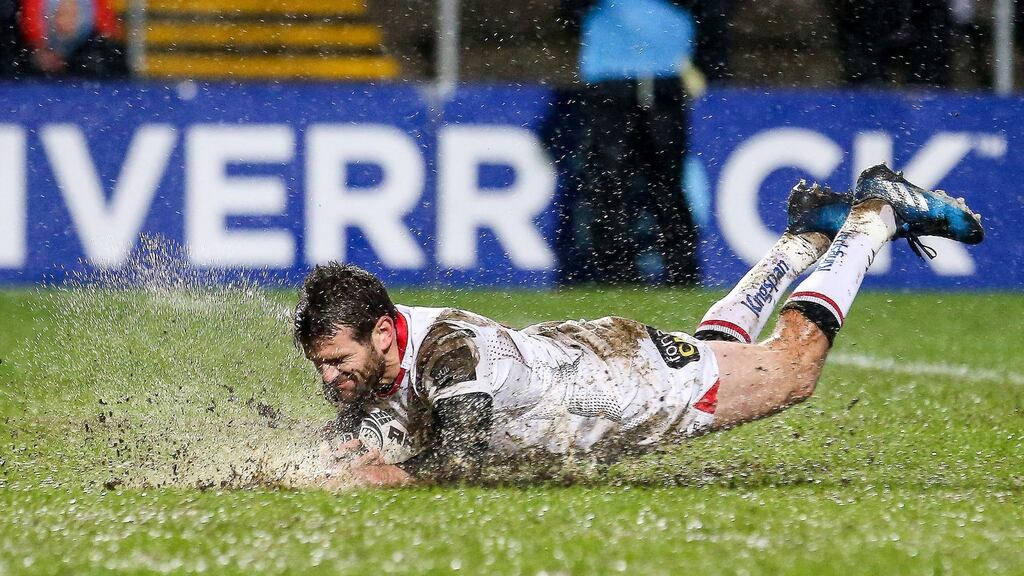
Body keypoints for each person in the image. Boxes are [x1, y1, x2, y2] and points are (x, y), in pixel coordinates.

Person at [295, 164, 984, 487]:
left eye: (337, 361)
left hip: (625, 384)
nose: (331, 378)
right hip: (580, 353)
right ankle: (802, 239)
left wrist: (392, 479)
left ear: (383, 333)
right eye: (322, 365)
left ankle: (876, 217)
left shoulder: (451, 355)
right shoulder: (392, 345)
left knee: (793, 368)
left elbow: (462, 464)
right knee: (716, 353)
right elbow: (367, 431)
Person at [564, 0, 703, 285]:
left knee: (663, 184)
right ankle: (619, 274)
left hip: (655, 82)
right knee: (610, 184)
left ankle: (679, 273)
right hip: (615, 85)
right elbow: (569, 12)